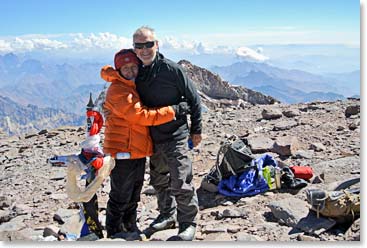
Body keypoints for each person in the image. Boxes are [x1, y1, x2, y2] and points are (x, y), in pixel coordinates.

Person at [101, 49, 189, 238]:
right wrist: (173, 111)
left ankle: (130, 227)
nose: (131, 71)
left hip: (136, 150)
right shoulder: (119, 89)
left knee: (134, 191)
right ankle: (115, 232)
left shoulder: (133, 85)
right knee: (120, 193)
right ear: (118, 70)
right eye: (126, 68)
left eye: (134, 66)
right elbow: (140, 116)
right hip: (123, 150)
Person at [133, 26, 202, 241]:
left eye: (149, 44)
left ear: (157, 44)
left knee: (181, 180)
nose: (145, 49)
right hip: (153, 137)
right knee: (159, 179)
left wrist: (196, 130)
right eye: (139, 45)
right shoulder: (136, 71)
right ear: (134, 48)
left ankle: (188, 223)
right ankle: (167, 214)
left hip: (176, 134)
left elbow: (194, 99)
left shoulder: (172, 70)